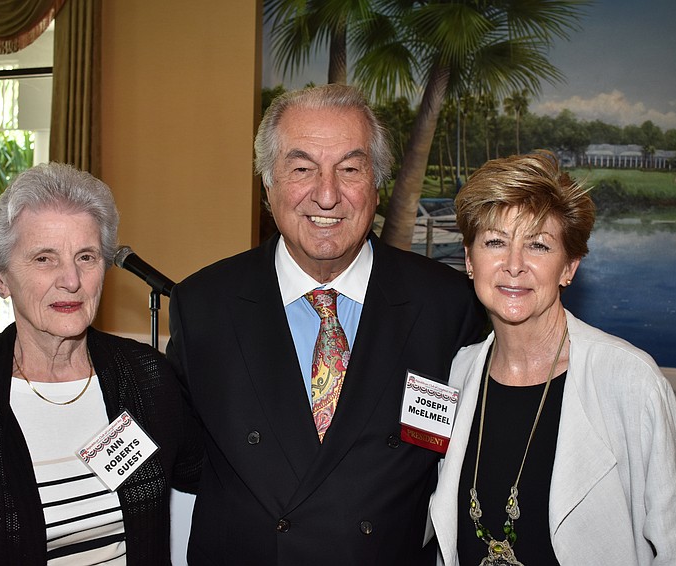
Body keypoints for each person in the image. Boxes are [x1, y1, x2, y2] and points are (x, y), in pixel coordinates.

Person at [166, 84, 486, 565]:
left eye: (350, 169)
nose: (328, 194)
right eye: (301, 169)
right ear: (267, 185)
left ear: (376, 184)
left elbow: (462, 468)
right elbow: (186, 465)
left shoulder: (446, 305)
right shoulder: (203, 305)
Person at [0, 163, 201, 565]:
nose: (71, 280)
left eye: (86, 256)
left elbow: (211, 475)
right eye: (44, 258)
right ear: (1, 278)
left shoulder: (147, 377)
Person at [429, 151, 676, 565]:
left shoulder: (630, 382)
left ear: (569, 266)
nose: (514, 265)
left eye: (538, 245)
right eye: (495, 242)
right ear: (470, 260)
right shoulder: (457, 372)